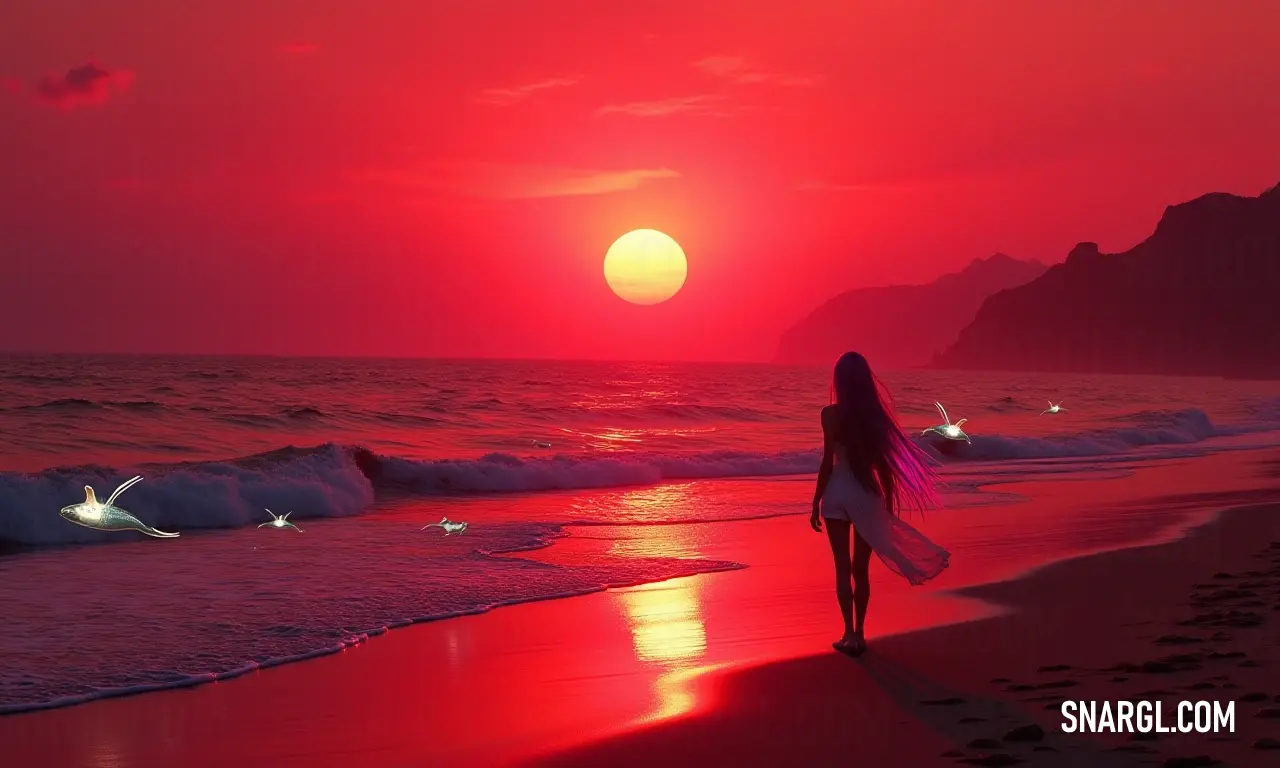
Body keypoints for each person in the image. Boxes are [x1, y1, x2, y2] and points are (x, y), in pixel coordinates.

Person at [810, 352, 951, 655]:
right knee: (860, 570)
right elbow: (885, 467)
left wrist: (815, 502)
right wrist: (885, 504)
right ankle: (860, 634)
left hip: (836, 491)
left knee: (841, 567)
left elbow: (827, 463)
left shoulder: (829, 415)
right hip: (865, 494)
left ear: (839, 381)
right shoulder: (876, 419)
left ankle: (846, 633)